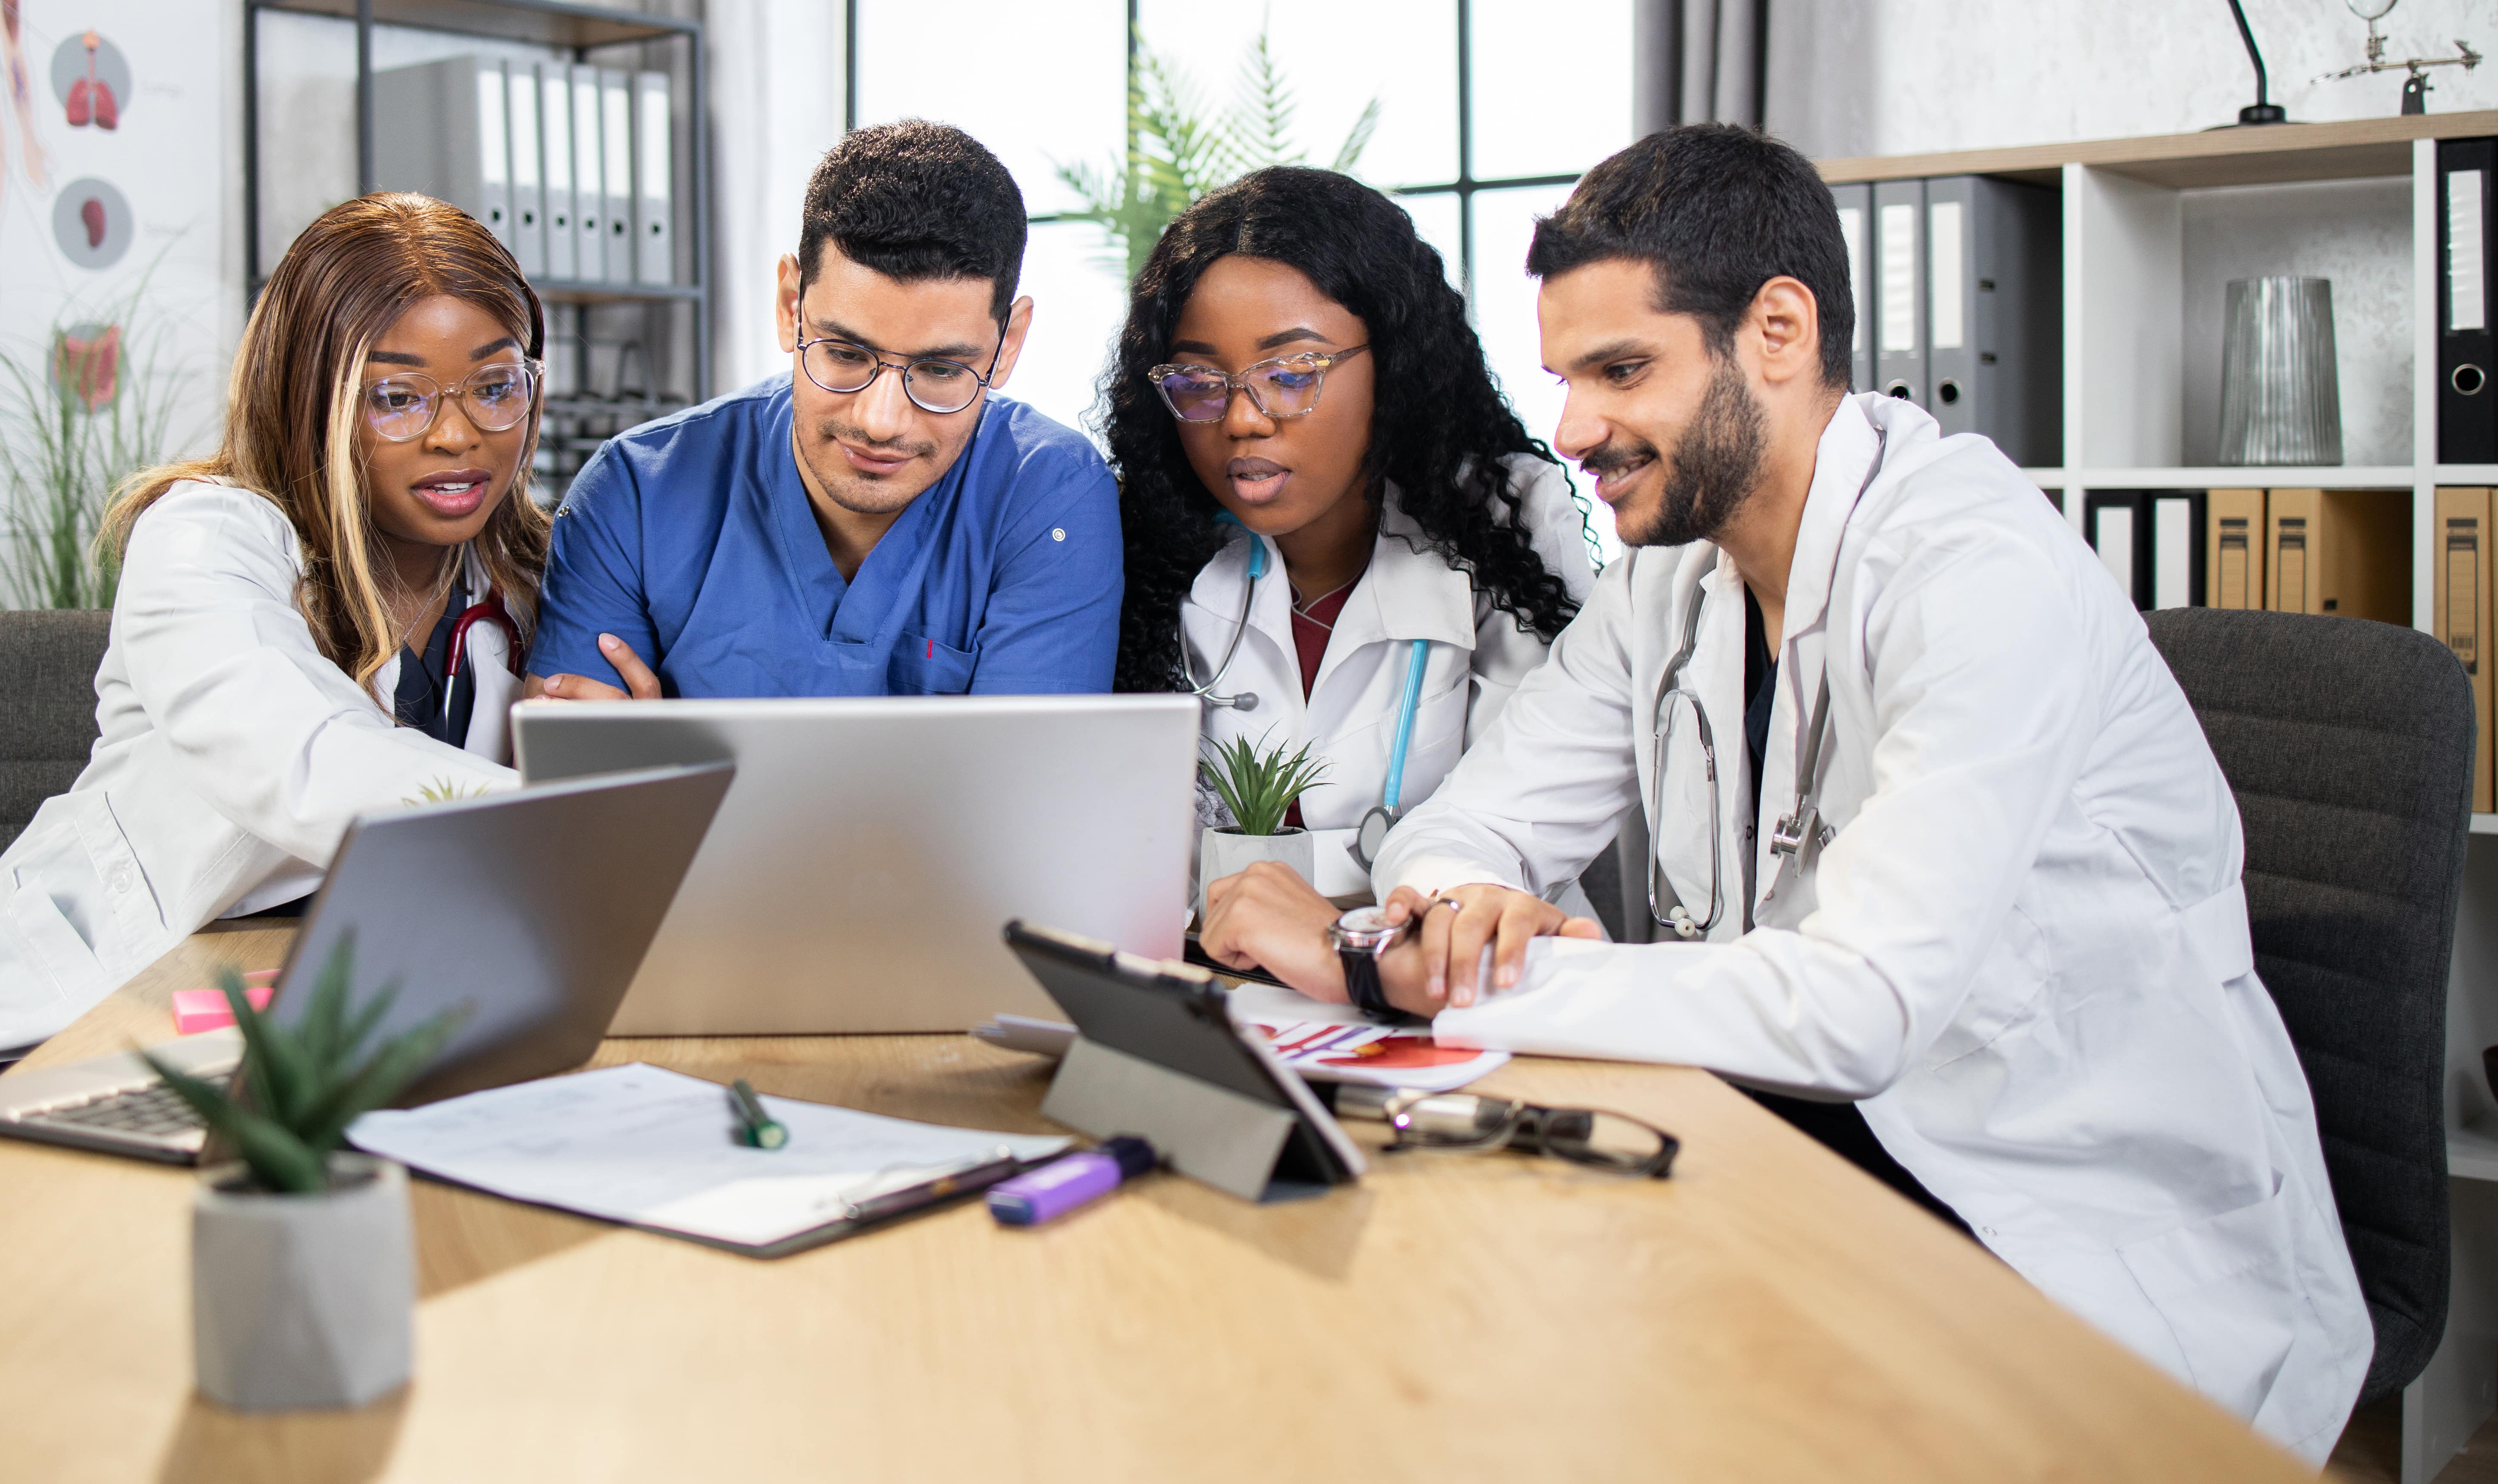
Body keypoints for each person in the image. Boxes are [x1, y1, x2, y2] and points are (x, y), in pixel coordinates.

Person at [1197, 124, 2369, 1460]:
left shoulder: (1979, 577)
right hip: (1804, 1146)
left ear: (1779, 330)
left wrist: (1406, 973)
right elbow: (1473, 823)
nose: (1575, 429)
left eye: (1621, 371)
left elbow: (1857, 1011)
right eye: (1568, 378)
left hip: (2051, 1216)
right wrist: (1455, 908)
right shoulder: (1671, 579)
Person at [0, 193, 542, 1239]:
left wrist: (605, 729)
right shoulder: (208, 540)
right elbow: (303, 763)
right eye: (397, 398)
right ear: (311, 394)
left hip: (285, 1043)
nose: (460, 435)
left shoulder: (518, 578)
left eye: (497, 386)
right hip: (50, 1041)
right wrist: (574, 815)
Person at [1104, 167, 1597, 905]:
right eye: (1202, 383)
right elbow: (1123, 842)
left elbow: (1528, 817)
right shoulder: (1151, 546)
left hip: (1456, 976)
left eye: (1292, 372)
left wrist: (1272, 887)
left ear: (1392, 363)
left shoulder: (1505, 518)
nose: (1242, 418)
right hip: (1215, 979)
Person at [526, 120, 1121, 700]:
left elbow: (1023, 794)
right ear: (791, 305)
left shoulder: (1051, 496)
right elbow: (575, 786)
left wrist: (668, 780)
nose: (879, 421)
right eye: (844, 354)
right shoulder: (633, 494)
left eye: (941, 371)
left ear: (1008, 344)